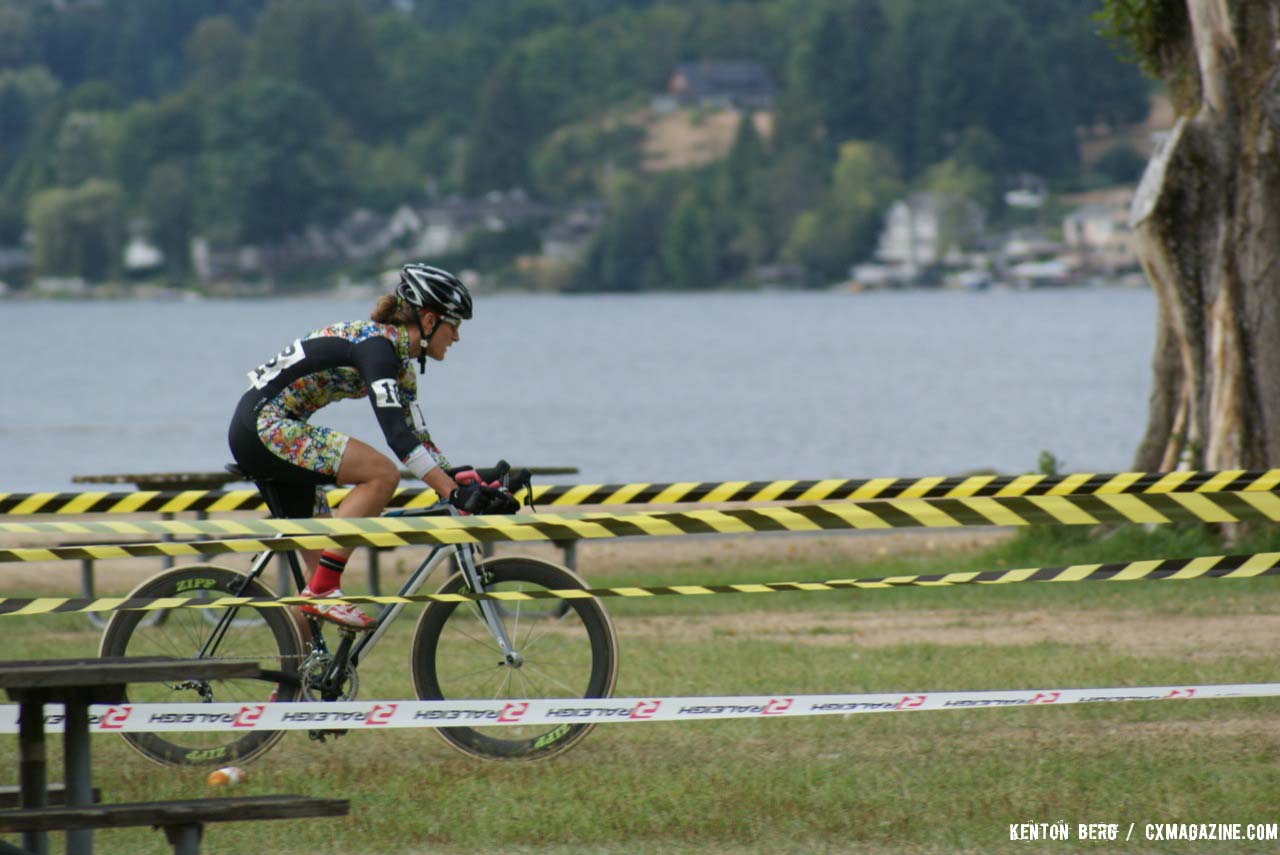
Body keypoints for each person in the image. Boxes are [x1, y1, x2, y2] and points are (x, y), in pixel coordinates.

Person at [228, 263, 517, 630]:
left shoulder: (399, 364)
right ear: (429, 321)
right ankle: (323, 591)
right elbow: (396, 438)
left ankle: (293, 685)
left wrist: (462, 481)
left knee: (316, 590)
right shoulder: (377, 349)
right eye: (454, 325)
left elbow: (417, 438)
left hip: (268, 432)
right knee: (381, 474)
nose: (457, 337)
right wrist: (451, 494)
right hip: (264, 429)